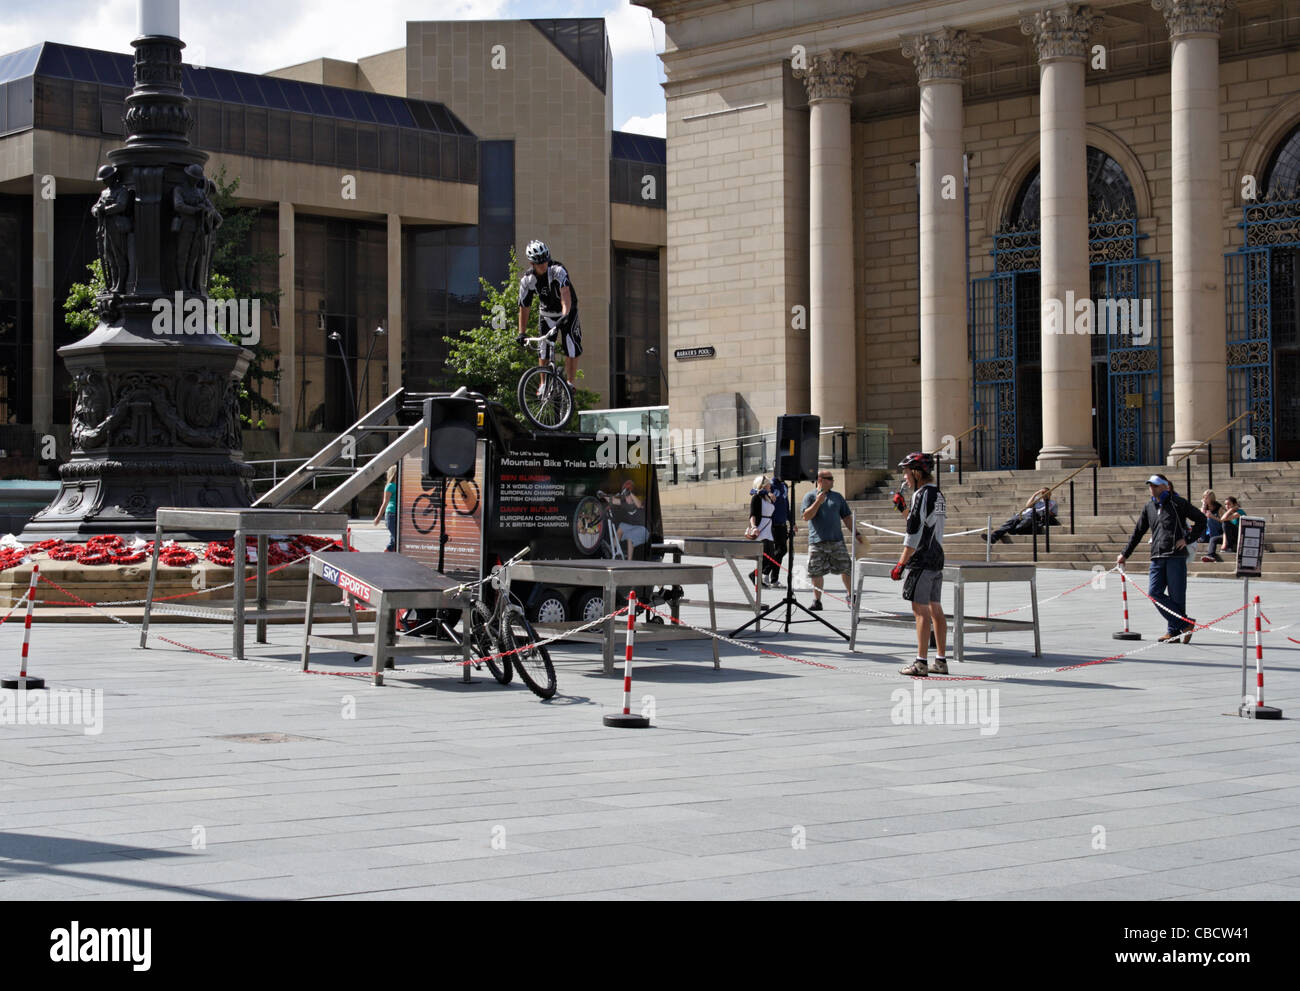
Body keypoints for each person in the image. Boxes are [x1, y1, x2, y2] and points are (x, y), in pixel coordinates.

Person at [1116, 474, 1207, 644]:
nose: (1152, 488)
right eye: (1150, 485)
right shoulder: (1149, 506)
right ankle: (1185, 624)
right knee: (1154, 593)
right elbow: (1138, 531)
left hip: (1175, 555)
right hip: (1157, 556)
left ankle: (1173, 632)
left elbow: (1201, 520)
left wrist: (1187, 539)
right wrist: (1125, 553)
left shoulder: (1178, 503)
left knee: (1177, 596)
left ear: (1166, 487)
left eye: (1156, 485)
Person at [891, 452, 948, 677]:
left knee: (920, 610)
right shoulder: (938, 494)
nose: (904, 477)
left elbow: (913, 533)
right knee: (936, 608)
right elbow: (925, 523)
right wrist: (903, 509)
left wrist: (900, 563)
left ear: (916, 472)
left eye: (906, 472)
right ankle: (941, 660)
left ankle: (921, 662)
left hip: (922, 559)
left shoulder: (921, 495)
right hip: (937, 556)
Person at [517, 240, 582, 390]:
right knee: (543, 347)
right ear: (531, 264)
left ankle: (570, 383)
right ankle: (543, 384)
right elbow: (524, 306)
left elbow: (565, 294)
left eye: (545, 261)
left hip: (567, 311)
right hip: (546, 313)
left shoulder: (558, 270)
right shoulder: (527, 280)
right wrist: (522, 332)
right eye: (539, 263)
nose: (543, 265)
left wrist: (565, 315)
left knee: (571, 344)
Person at [801, 468, 864, 611]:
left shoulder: (838, 497)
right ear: (820, 480)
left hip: (836, 540)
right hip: (817, 541)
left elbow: (846, 517)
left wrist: (856, 533)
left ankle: (850, 595)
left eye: (832, 478)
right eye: (829, 478)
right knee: (816, 571)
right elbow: (806, 516)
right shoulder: (810, 496)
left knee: (846, 568)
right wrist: (818, 502)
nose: (833, 481)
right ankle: (817, 600)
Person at [983, 487, 1058, 544]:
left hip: (1034, 516)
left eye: (1046, 493)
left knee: (1027, 521)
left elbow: (1054, 514)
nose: (1044, 494)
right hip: (1024, 513)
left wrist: (1047, 512)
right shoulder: (1037, 500)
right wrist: (1035, 494)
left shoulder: (1053, 503)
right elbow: (1028, 505)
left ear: (1050, 493)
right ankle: (993, 537)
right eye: (1043, 493)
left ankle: (1013, 530)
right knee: (1010, 521)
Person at [747, 475, 777, 587]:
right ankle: (756, 577)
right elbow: (753, 514)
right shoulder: (756, 497)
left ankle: (754, 575)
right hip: (761, 529)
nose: (770, 486)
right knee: (765, 557)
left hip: (769, 529)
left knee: (771, 557)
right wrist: (754, 527)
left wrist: (767, 494)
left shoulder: (768, 497)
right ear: (763, 485)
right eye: (768, 484)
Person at [608, 479, 647, 559]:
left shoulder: (638, 501)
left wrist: (630, 493)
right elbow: (613, 500)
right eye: (626, 497)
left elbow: (639, 505)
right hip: (633, 527)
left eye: (628, 497)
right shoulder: (625, 503)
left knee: (630, 535)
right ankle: (613, 549)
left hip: (644, 530)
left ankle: (629, 561)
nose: (627, 499)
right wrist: (603, 495)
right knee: (622, 526)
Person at [1207, 496, 1244, 561]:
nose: (1227, 506)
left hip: (1240, 535)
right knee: (1213, 539)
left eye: (1229, 504)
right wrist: (1224, 543)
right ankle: (1210, 555)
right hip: (1230, 536)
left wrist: (1230, 510)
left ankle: (1229, 547)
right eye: (1225, 504)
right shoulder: (1229, 514)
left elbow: (1223, 520)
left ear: (1235, 504)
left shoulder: (1239, 512)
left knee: (1226, 523)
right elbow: (1224, 524)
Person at [374, 465, 399, 552]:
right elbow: (385, 502)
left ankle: (388, 553)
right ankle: (386, 552)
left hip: (399, 515)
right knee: (396, 538)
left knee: (395, 538)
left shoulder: (401, 485)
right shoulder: (390, 486)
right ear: (395, 474)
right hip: (391, 514)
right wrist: (379, 517)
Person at [1197, 489, 1224, 561]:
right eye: (1204, 497)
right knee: (1202, 519)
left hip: (1218, 529)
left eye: (1206, 497)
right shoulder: (1204, 506)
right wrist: (1203, 505)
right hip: (1207, 530)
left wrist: (1213, 517)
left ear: (1211, 498)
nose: (1204, 499)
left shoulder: (1218, 507)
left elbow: (1223, 521)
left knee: (1209, 519)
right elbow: (1201, 515)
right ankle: (1202, 538)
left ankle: (1211, 538)